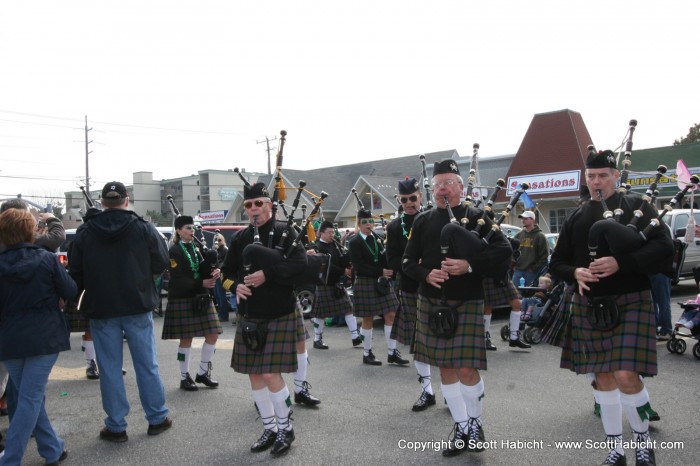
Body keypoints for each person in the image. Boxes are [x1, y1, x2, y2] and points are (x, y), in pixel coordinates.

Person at [549, 150, 674, 466]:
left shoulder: (638, 207)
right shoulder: (577, 217)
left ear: (616, 176)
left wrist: (622, 262)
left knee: (625, 374)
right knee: (603, 378)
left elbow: (664, 246)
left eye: (603, 175)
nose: (596, 182)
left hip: (632, 300)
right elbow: (557, 262)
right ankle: (615, 449)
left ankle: (643, 443)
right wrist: (575, 272)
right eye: (591, 176)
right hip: (592, 306)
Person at [402, 160, 512, 457]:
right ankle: (462, 428)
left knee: (466, 367)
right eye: (437, 184)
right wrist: (426, 274)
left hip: (466, 300)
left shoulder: (478, 216)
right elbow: (406, 262)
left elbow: (504, 252)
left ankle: (475, 423)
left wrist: (470, 266)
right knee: (445, 368)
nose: (442, 189)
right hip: (432, 302)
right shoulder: (422, 222)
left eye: (449, 182)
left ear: (462, 187)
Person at [69, 181, 172, 443]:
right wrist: (142, 278)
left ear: (103, 202)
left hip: (102, 308)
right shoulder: (143, 227)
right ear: (126, 200)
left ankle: (116, 425)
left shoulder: (86, 231)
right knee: (147, 364)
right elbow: (161, 261)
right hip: (137, 304)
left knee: (110, 368)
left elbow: (75, 270)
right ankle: (157, 418)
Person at [220, 182, 307, 457]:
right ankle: (269, 428)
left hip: (279, 311)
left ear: (270, 204)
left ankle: (285, 427)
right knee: (254, 374)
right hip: (250, 315)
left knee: (270, 373)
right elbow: (224, 273)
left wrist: (267, 275)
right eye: (249, 205)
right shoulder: (241, 237)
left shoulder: (285, 231)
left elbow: (300, 263)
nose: (254, 208)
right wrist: (234, 287)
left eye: (259, 203)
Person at [0, 208, 76, 466]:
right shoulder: (46, 259)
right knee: (30, 399)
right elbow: (70, 289)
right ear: (29, 230)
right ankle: (10, 459)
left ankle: (52, 449)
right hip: (44, 337)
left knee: (27, 397)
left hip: (9, 339)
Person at [386, 177, 436, 411]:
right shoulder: (394, 227)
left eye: (413, 198)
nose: (409, 203)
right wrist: (414, 267)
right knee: (419, 342)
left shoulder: (434, 219)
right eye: (404, 199)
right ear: (399, 200)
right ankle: (427, 391)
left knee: (441, 338)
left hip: (437, 286)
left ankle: (451, 390)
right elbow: (392, 258)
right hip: (409, 287)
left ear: (421, 197)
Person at [163, 216, 223, 391]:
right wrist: (201, 283)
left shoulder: (196, 248)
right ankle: (184, 377)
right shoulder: (174, 250)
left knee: (213, 334)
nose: (192, 230)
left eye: (193, 227)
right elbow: (178, 278)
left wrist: (214, 270)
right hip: (183, 296)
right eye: (188, 228)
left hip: (201, 296)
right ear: (179, 230)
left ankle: (203, 372)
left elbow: (202, 269)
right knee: (186, 339)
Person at [347, 207, 408, 366]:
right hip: (365, 282)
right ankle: (367, 353)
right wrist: (380, 271)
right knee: (368, 319)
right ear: (359, 224)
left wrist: (388, 260)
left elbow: (384, 259)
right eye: (365, 222)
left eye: (371, 222)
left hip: (381, 282)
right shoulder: (354, 242)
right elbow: (359, 267)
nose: (369, 225)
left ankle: (392, 352)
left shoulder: (378, 238)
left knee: (391, 315)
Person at [309, 221, 361, 349]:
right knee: (320, 314)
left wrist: (349, 255)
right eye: (329, 232)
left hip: (337, 284)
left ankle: (355, 337)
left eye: (333, 232)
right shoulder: (317, 247)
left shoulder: (335, 245)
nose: (332, 235)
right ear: (321, 233)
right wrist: (343, 271)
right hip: (324, 284)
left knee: (349, 308)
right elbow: (326, 266)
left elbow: (341, 261)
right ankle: (317, 339)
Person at [212, 233, 236, 322]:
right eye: (216, 240)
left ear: (222, 240)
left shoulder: (225, 249)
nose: (217, 242)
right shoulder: (215, 250)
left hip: (221, 275)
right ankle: (221, 313)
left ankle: (224, 315)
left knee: (221, 296)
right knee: (217, 296)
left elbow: (227, 263)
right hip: (215, 275)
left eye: (219, 240)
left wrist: (219, 269)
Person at [650, 273, 673, 340]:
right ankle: (659, 329)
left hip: (659, 271)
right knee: (657, 303)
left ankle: (666, 329)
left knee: (663, 302)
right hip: (652, 272)